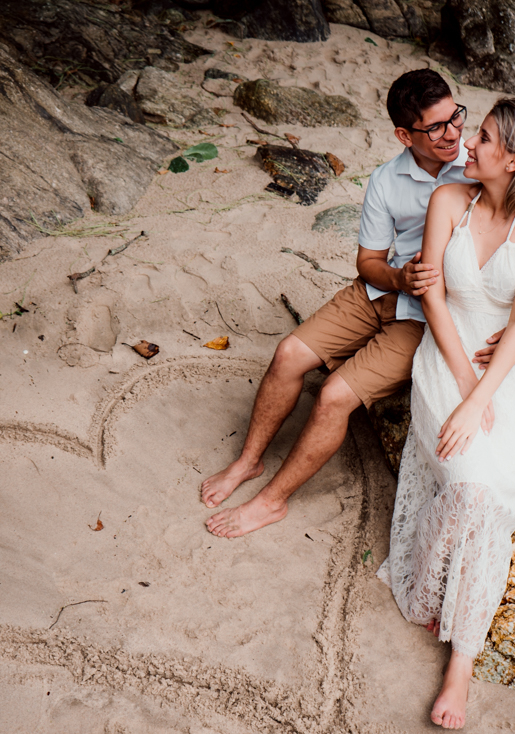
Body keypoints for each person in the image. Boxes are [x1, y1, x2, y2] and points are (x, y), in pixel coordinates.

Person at [201, 69, 490, 538]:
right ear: (404, 134)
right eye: (436, 127)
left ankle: (272, 501)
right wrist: (397, 277)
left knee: (334, 395)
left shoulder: (477, 169)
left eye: (455, 117)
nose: (453, 133)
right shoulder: (386, 180)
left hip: (424, 316)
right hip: (379, 290)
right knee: (288, 355)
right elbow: (369, 262)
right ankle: (248, 462)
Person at [377, 97, 515, 729]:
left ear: (514, 160)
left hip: (509, 374)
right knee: (465, 485)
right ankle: (430, 588)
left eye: (484, 138)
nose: (468, 142)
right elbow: (430, 289)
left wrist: (485, 393)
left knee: (484, 498)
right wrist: (463, 381)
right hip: (448, 356)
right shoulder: (449, 202)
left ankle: (461, 665)